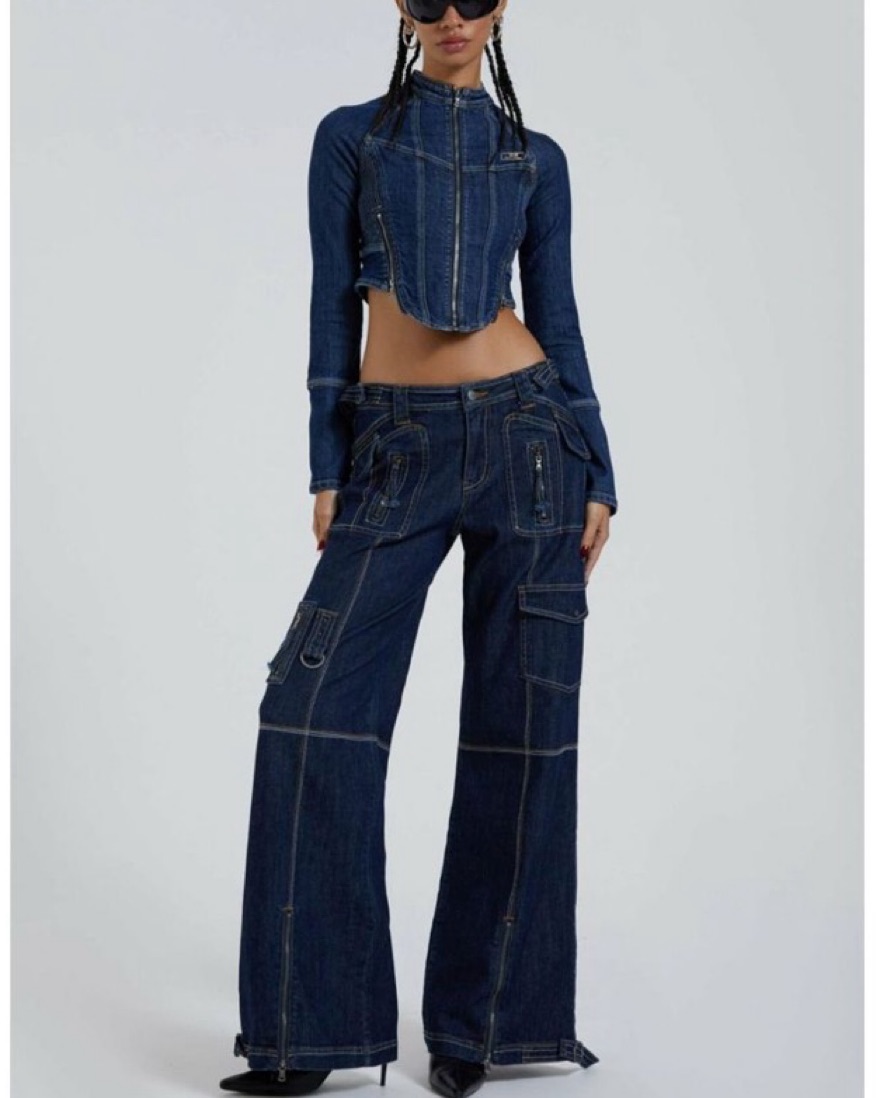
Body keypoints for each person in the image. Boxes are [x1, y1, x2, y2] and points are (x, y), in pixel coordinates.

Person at [219, 2, 617, 1095]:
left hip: (531, 441)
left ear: (501, 8)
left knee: (521, 734)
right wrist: (327, 461)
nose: (451, 19)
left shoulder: (534, 157)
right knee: (308, 714)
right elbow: (328, 305)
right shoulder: (351, 136)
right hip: (393, 448)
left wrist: (599, 467)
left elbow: (558, 315)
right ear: (401, 7)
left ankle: (482, 1028)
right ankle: (309, 1034)